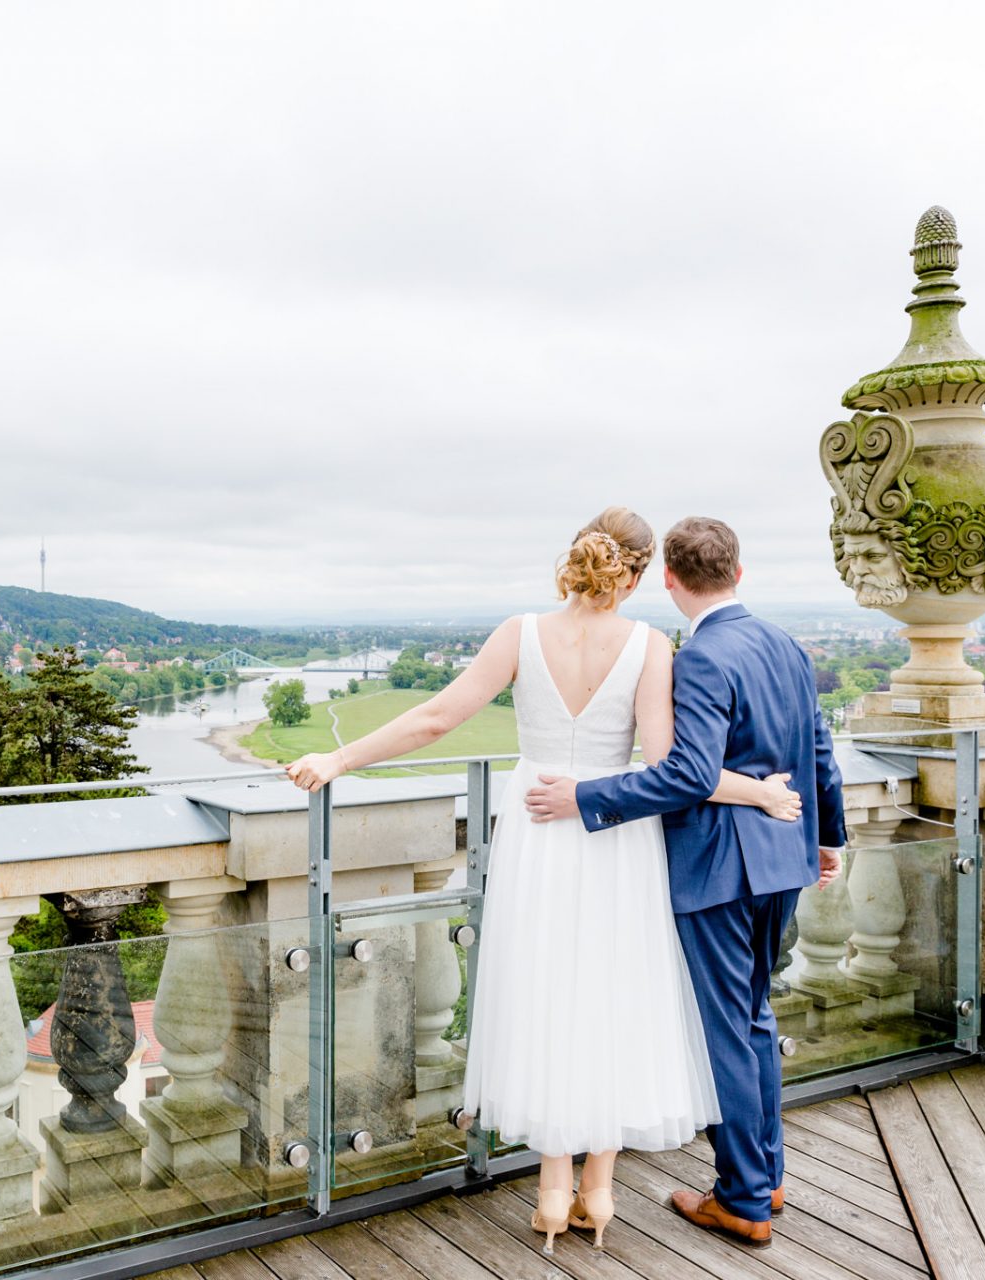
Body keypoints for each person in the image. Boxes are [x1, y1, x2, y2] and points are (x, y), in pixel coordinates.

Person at [286, 507, 804, 1255]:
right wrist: (755, 792)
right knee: (610, 995)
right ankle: (600, 1185)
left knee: (545, 991)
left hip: (535, 829)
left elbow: (435, 719)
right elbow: (673, 771)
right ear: (635, 575)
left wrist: (338, 760)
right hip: (616, 838)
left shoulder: (518, 634)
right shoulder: (653, 646)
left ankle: (553, 1186)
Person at [525, 516, 846, 1251]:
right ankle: (765, 1174)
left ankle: (741, 1199)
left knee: (731, 1030)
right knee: (756, 1018)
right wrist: (827, 836)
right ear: (741, 572)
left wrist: (585, 798)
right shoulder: (786, 645)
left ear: (669, 579)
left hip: (719, 871)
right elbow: (818, 746)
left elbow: (689, 776)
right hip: (783, 861)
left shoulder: (700, 656)